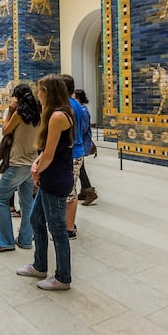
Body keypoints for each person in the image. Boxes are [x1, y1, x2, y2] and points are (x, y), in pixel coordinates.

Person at [17, 74, 74, 290]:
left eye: (40, 89)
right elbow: (46, 151)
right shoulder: (54, 113)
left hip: (55, 177)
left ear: (48, 92)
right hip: (52, 174)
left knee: (57, 229)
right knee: (36, 220)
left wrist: (36, 171)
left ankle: (63, 277)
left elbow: (49, 154)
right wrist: (36, 164)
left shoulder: (58, 116)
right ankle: (39, 264)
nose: (37, 94)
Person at [0, 84, 40, 252]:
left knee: (0, 198)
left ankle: (5, 241)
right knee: (27, 202)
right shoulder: (38, 115)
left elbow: (5, 130)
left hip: (17, 163)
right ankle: (25, 239)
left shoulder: (19, 114)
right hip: (31, 163)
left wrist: (10, 111)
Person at [61, 75, 86, 240]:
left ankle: (69, 228)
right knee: (70, 190)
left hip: (72, 153)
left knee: (70, 192)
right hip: (76, 151)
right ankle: (68, 223)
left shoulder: (68, 106)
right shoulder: (76, 104)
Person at [74, 89, 98, 205]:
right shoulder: (82, 109)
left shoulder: (82, 111)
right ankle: (85, 190)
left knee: (80, 168)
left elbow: (83, 128)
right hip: (81, 143)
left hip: (82, 143)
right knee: (80, 167)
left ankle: (89, 191)